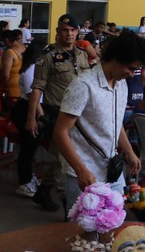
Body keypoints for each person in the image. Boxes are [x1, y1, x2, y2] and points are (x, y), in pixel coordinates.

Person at [54, 31, 145, 209]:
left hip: (112, 170)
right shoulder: (83, 86)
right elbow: (60, 132)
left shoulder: (122, 85)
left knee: (115, 222)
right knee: (83, 230)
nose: (130, 74)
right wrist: (81, 170)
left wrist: (129, 152)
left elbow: (115, 121)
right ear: (116, 59)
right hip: (84, 173)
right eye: (129, 68)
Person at [26, 14, 91, 212]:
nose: (69, 34)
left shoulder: (82, 54)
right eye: (65, 30)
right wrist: (32, 117)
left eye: (72, 30)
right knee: (64, 160)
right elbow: (37, 87)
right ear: (57, 32)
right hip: (58, 115)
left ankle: (44, 190)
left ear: (77, 31)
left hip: (80, 115)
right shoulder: (47, 56)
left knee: (59, 158)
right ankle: (69, 209)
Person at [11, 39, 45, 198]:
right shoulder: (31, 69)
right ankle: (24, 182)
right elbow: (33, 96)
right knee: (28, 148)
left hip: (27, 108)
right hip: (27, 109)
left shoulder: (31, 67)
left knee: (29, 147)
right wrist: (40, 116)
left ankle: (28, 178)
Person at [1, 29, 25, 102]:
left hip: (12, 89)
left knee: (11, 112)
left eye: (3, 42)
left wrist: (4, 88)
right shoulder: (24, 47)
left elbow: (5, 75)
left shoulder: (9, 52)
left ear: (6, 40)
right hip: (24, 86)